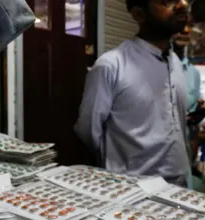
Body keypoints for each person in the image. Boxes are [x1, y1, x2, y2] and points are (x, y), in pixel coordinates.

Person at [75, 0, 191, 186]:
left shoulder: (174, 61)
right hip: (131, 187)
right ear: (139, 15)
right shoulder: (112, 65)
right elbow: (88, 130)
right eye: (167, 1)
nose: (182, 5)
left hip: (178, 183)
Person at [173, 14, 203, 189]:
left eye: (189, 24)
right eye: (179, 23)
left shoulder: (193, 73)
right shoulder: (154, 67)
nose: (184, 29)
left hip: (185, 157)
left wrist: (197, 112)